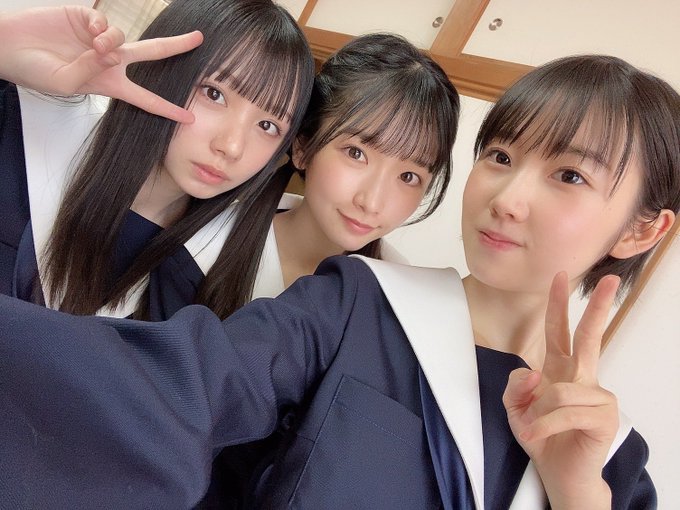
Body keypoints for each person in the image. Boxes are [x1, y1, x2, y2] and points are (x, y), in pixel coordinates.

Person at [1, 54, 678, 509]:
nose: (506, 198)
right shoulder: (351, 305)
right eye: (500, 156)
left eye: (569, 175)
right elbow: (173, 393)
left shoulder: (610, 457)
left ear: (643, 230)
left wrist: (578, 493)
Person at [0, 1, 314, 317]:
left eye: (268, 126)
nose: (232, 146)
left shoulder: (199, 280)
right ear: (163, 69)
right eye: (214, 93)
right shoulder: (21, 130)